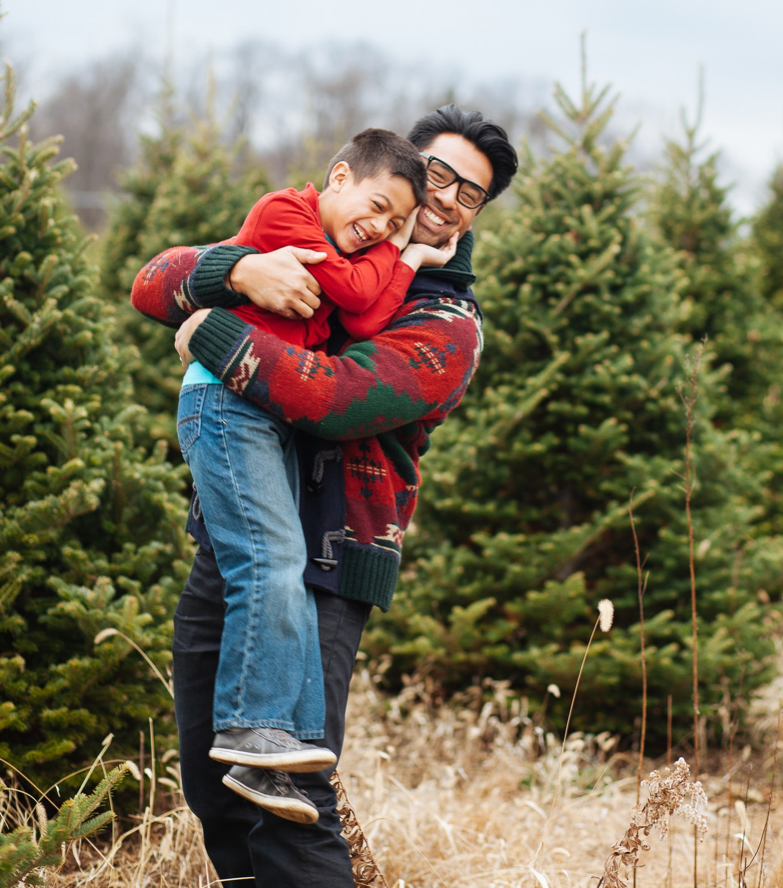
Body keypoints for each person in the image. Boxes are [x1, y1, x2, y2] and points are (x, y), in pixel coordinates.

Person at [131, 104, 518, 888]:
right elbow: (153, 278)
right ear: (397, 169)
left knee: (289, 800)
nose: (445, 198)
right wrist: (236, 272)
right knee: (213, 782)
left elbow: (337, 396)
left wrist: (212, 328)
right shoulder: (320, 236)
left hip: (328, 564)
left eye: (467, 194)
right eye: (434, 174)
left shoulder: (446, 319)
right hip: (234, 549)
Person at [168, 128, 455, 823]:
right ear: (338, 176)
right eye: (378, 206)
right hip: (226, 401)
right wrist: (405, 252)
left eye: (396, 220)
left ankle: (277, 745)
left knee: (280, 562)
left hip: (264, 415)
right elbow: (358, 294)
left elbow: (369, 315)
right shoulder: (283, 213)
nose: (381, 225)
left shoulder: (447, 319)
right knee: (269, 558)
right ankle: (252, 731)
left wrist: (399, 256)